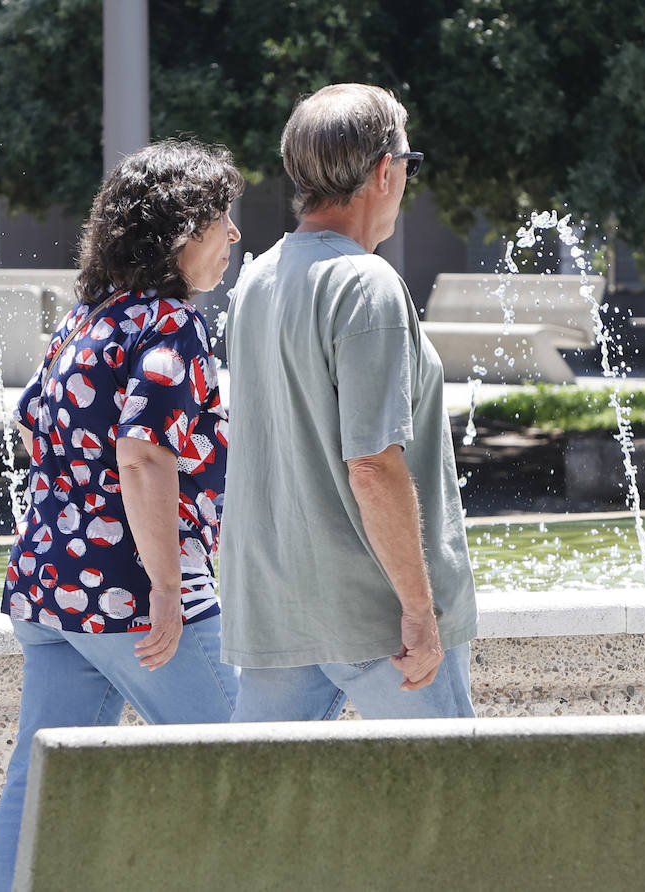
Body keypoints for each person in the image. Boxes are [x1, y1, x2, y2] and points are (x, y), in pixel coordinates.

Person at [0, 140, 242, 891]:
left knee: (36, 788)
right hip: (135, 599)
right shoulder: (171, 325)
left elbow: (35, 422)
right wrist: (165, 585)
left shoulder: (87, 319)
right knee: (254, 766)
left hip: (49, 588)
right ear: (179, 232)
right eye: (221, 219)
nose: (232, 236)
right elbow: (143, 451)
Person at [222, 83, 477, 721]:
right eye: (409, 166)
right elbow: (370, 463)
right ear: (385, 170)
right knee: (455, 808)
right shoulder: (367, 284)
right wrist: (420, 612)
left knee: (260, 815)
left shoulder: (257, 278)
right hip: (376, 616)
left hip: (278, 609)